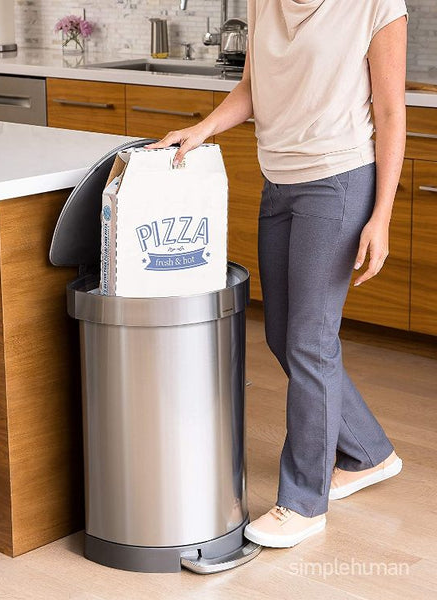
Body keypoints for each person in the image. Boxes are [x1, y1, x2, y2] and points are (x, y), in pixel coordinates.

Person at [146, 0, 408, 548]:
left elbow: (389, 113)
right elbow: (252, 89)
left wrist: (380, 216)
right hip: (280, 181)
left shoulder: (377, 6)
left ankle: (302, 503)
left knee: (310, 342)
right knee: (283, 335)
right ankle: (368, 452)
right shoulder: (263, 2)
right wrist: (203, 129)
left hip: (339, 181)